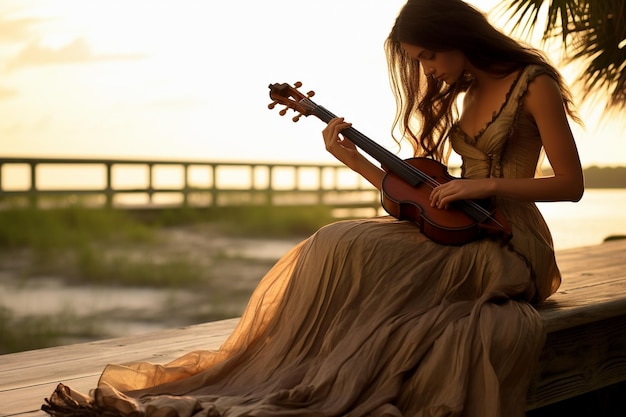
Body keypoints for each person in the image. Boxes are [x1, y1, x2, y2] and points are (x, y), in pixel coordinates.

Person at [42, 0, 584, 416]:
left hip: (514, 243)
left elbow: (570, 185)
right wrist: (350, 157)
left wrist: (481, 189)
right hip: (464, 229)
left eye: (428, 56)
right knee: (339, 240)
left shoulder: (533, 85)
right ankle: (304, 373)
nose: (428, 70)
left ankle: (334, 381)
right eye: (419, 61)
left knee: (373, 261)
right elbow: (423, 203)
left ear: (456, 36)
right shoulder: (467, 95)